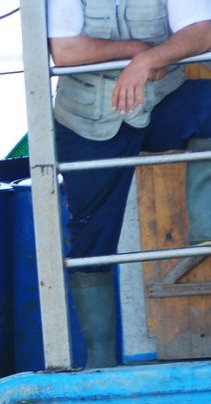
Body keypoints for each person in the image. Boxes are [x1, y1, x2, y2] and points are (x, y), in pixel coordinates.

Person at [49, 0, 211, 367]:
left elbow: (202, 31)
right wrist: (135, 51)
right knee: (92, 237)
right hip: (89, 119)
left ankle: (207, 228)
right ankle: (101, 363)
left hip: (159, 99)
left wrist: (149, 60)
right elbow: (66, 51)